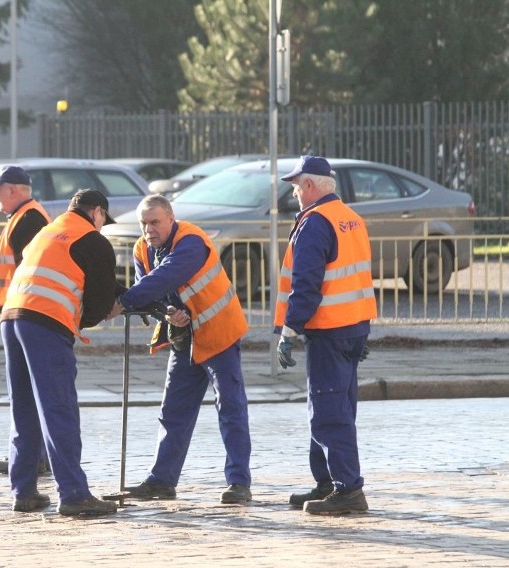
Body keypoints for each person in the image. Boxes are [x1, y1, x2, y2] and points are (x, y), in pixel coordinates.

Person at [112, 194, 253, 505]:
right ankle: (161, 481)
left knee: (230, 408)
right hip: (185, 337)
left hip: (218, 332)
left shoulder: (191, 240)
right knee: (173, 411)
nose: (148, 229)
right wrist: (166, 311)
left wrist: (122, 301)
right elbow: (152, 293)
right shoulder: (141, 249)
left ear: (170, 220)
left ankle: (239, 483)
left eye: (155, 222)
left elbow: (167, 275)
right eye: (144, 223)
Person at [1, 188, 120, 517]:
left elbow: (72, 274)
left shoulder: (49, 231)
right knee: (59, 409)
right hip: (46, 324)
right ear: (97, 212)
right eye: (102, 221)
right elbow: (97, 303)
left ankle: (23, 491)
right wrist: (101, 312)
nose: (102, 227)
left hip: (12, 318)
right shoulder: (93, 241)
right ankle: (74, 494)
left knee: (24, 408)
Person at [275, 155, 377, 515]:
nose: (294, 194)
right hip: (352, 327)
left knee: (328, 412)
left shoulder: (316, 222)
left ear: (309, 185)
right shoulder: (350, 217)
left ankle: (348, 490)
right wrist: (360, 331)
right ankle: (328, 483)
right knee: (336, 408)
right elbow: (359, 276)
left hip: (329, 329)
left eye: (295, 186)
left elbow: (307, 285)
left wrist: (289, 330)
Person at [0, 165, 52, 476]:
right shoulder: (23, 217)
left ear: (13, 190)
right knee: (27, 390)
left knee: (25, 391)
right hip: (20, 314)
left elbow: (31, 270)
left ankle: (30, 458)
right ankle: (29, 456)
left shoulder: (29, 219)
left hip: (25, 315)